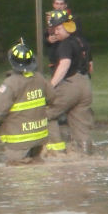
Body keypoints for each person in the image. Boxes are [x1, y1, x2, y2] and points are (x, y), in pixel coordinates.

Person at [0, 39, 54, 164]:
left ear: (12, 62)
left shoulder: (10, 84)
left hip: (18, 140)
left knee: (19, 174)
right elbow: (52, 97)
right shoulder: (40, 78)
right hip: (39, 137)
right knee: (39, 171)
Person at [45, 9, 94, 155]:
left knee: (44, 114)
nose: (55, 32)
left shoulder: (65, 44)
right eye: (54, 29)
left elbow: (64, 64)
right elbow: (91, 66)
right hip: (86, 85)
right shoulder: (82, 42)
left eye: (58, 28)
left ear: (68, 27)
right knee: (81, 123)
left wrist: (50, 86)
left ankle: (57, 151)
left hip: (69, 85)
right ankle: (85, 154)